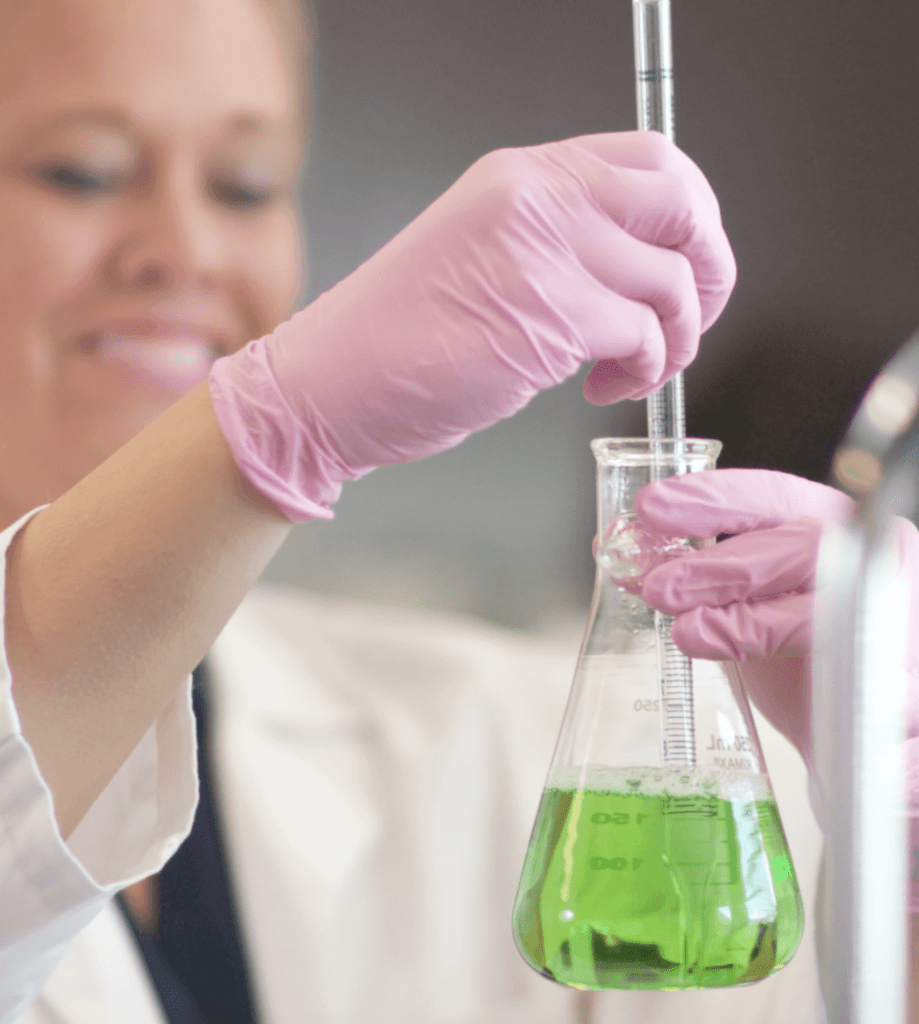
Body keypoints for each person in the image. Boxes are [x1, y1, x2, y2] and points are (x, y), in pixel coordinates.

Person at [0, 0, 830, 1022]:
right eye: (79, 170)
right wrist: (270, 431)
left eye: (244, 186)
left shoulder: (482, 743)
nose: (186, 251)